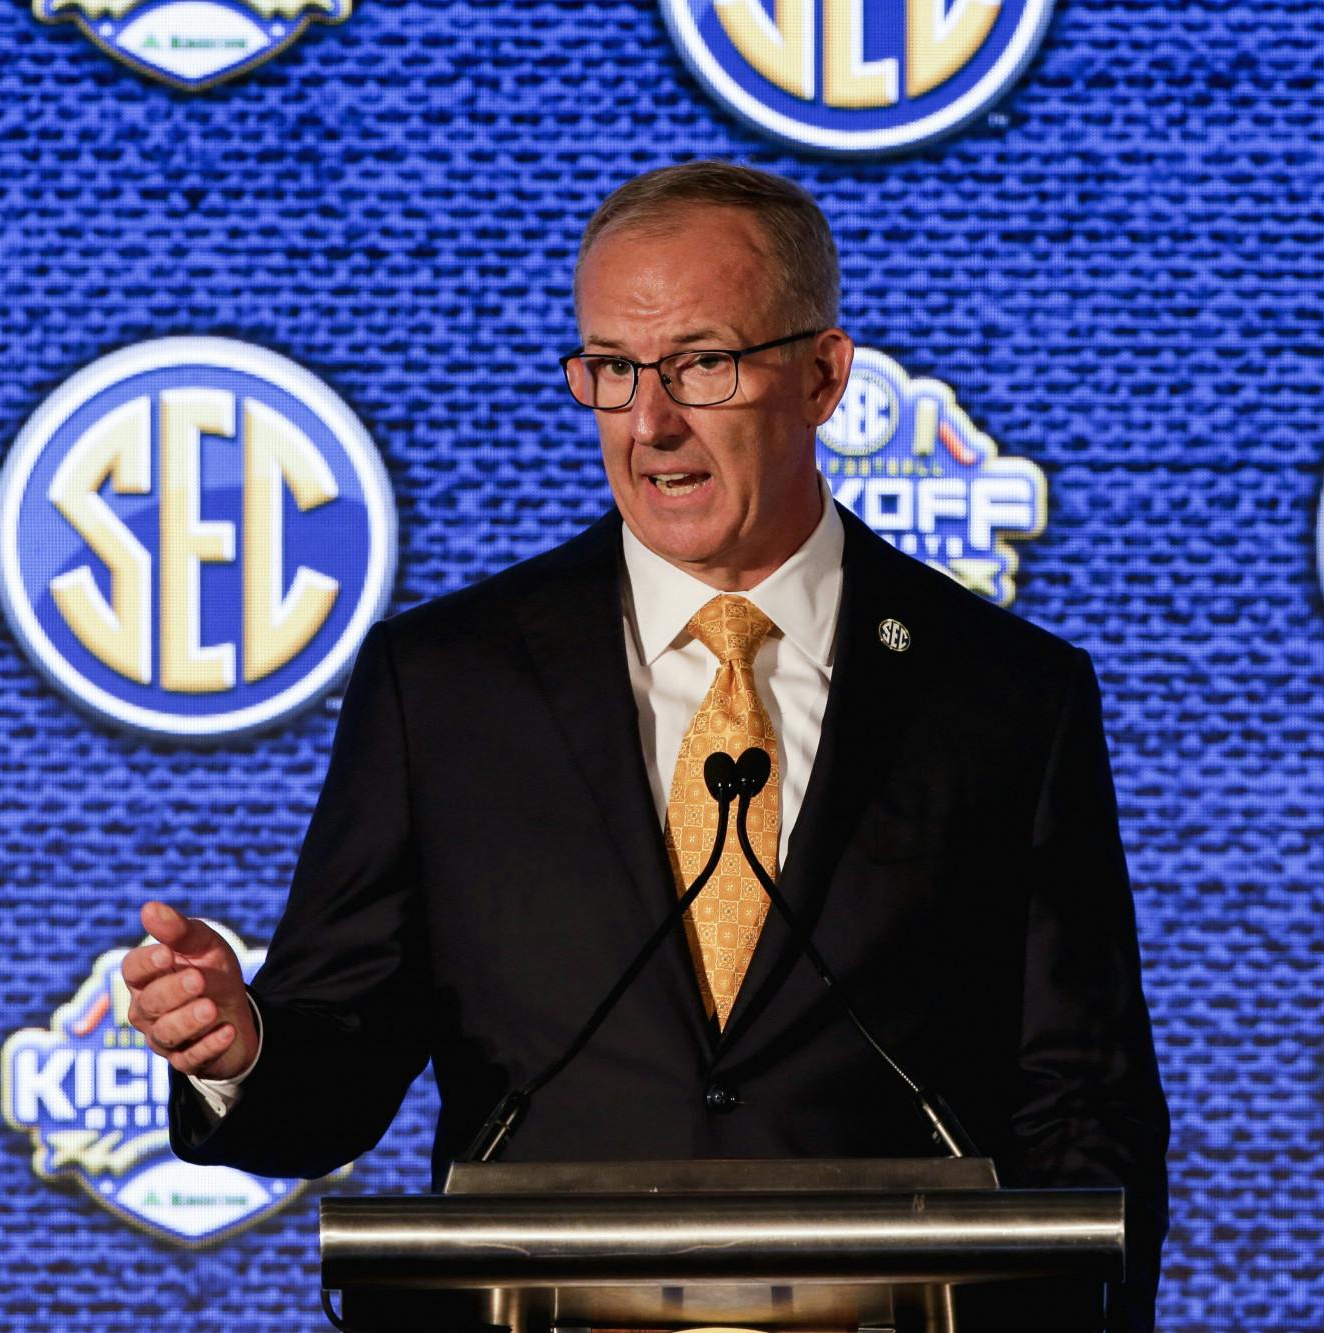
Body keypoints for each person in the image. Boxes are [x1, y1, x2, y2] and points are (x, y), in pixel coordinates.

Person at [120, 161, 1169, 1329]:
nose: (649, 423)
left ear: (823, 375)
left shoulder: (1006, 693)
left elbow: (1083, 1103)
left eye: (702, 364)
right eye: (612, 371)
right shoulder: (446, 685)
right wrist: (241, 1046)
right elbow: (341, 1067)